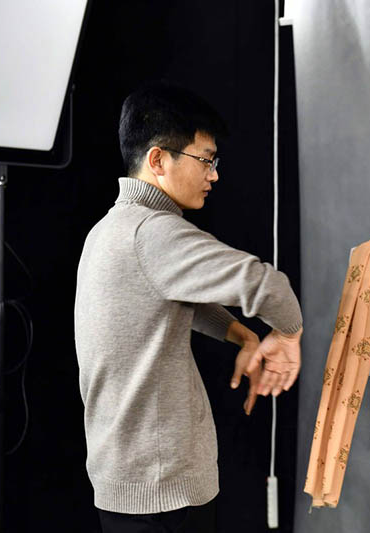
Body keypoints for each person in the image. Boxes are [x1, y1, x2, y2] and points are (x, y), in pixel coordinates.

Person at [74, 81, 303, 532]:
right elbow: (265, 283)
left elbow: (163, 302)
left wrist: (242, 333)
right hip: (164, 493)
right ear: (158, 160)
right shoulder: (154, 232)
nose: (214, 174)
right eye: (205, 159)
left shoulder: (108, 231)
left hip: (124, 482)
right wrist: (288, 334)